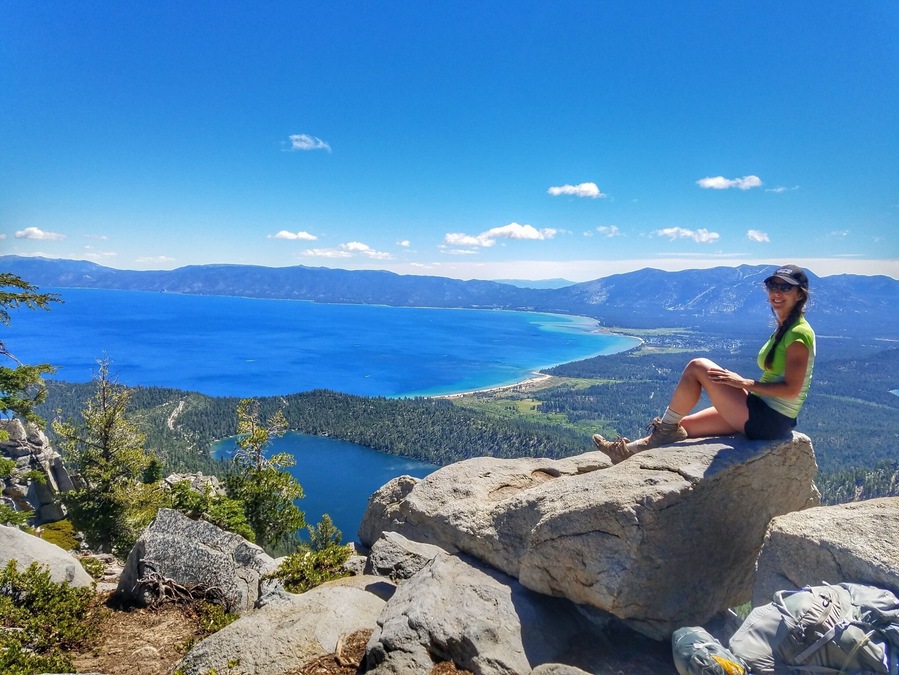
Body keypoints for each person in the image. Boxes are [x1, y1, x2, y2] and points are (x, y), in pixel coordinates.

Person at [592, 264, 816, 464]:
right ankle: (625, 452)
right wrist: (743, 385)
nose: (777, 292)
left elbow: (791, 390)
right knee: (682, 428)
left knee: (697, 366)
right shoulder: (786, 327)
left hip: (768, 420)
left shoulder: (798, 334)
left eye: (786, 288)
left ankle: (662, 429)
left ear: (800, 295)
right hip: (760, 410)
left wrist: (743, 383)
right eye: (772, 286)